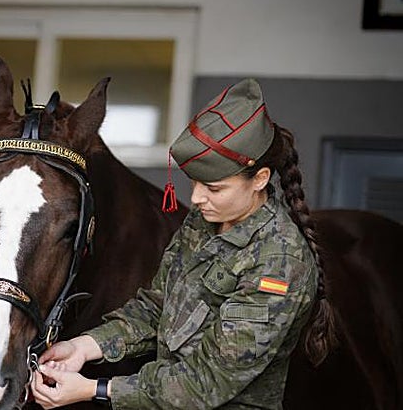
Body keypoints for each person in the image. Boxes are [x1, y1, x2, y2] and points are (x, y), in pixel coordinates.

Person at [31, 79, 334, 409]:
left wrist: (94, 389)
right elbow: (158, 305)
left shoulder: (280, 260)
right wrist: (85, 346)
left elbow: (208, 382)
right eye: (194, 183)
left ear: (259, 179)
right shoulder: (205, 221)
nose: (196, 199)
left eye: (214, 188)